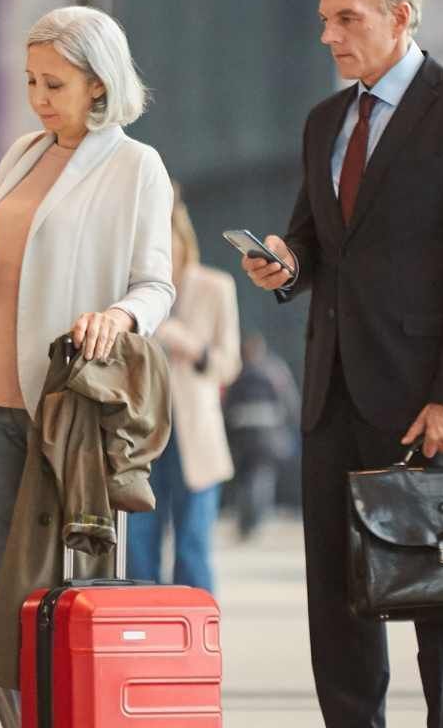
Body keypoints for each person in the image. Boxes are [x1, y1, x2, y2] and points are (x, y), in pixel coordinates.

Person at [239, 0, 443, 728]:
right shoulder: (325, 120)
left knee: (440, 602)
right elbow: (313, 244)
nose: (329, 36)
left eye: (347, 18)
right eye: (326, 20)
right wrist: (284, 267)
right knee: (336, 601)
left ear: (401, 16)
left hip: (424, 403)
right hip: (331, 396)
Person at [0, 5, 175, 727]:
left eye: (53, 83)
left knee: (58, 599)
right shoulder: (23, 154)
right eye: (31, 80)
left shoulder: (136, 167)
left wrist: (118, 315)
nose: (38, 97)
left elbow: (156, 284)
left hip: (67, 410)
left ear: (99, 83)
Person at [123, 199, 240, 593]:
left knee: (192, 547)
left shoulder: (216, 286)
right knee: (138, 548)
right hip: (142, 434)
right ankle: (146, 635)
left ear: (181, 238)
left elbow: (229, 365)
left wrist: (192, 347)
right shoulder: (131, 293)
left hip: (198, 438)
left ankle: (196, 640)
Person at [220, 333, 302, 542]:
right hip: (268, 435)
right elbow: (289, 402)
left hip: (240, 435)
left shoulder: (236, 370)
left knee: (245, 478)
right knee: (262, 477)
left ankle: (246, 521)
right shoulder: (275, 370)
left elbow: (225, 402)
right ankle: (254, 520)